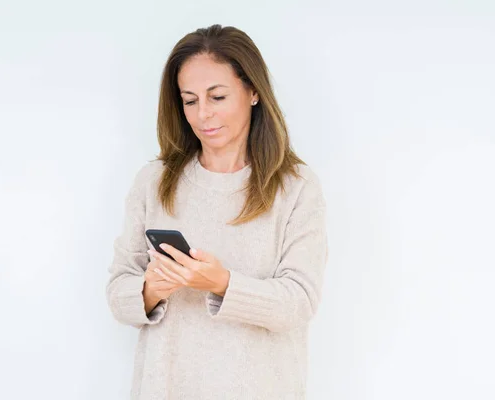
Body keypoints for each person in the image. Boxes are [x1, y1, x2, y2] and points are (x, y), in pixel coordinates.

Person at [105, 24, 329, 400]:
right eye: (190, 101)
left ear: (253, 91)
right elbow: (117, 292)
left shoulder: (295, 187)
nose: (203, 114)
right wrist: (148, 290)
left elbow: (299, 302)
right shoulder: (154, 181)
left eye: (218, 96)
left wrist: (221, 283)